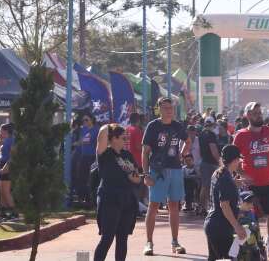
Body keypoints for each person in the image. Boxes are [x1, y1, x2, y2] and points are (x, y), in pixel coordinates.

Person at [233, 101, 269, 259]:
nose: (259, 115)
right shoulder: (241, 135)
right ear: (247, 115)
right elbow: (232, 159)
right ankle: (256, 247)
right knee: (250, 219)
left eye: (260, 112)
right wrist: (242, 173)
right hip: (251, 186)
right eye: (255, 113)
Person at [142, 97, 191, 256]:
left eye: (171, 108)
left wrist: (183, 153)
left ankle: (175, 242)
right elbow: (145, 152)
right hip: (158, 171)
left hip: (175, 169)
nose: (169, 110)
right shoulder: (153, 126)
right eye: (165, 108)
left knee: (174, 206)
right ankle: (149, 242)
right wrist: (146, 174)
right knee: (154, 205)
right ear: (159, 109)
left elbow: (188, 140)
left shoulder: (178, 126)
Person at [94, 123, 141, 261]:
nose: (126, 141)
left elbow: (137, 179)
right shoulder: (105, 153)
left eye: (127, 138)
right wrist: (111, 125)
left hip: (127, 199)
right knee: (107, 238)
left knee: (122, 238)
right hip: (110, 199)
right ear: (113, 138)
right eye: (123, 138)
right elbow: (102, 133)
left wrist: (131, 176)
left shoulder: (128, 155)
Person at [203, 144, 246, 261]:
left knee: (214, 258)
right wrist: (237, 226)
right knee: (230, 257)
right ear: (235, 160)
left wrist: (234, 183)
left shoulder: (219, 173)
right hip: (220, 227)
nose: (239, 163)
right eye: (239, 160)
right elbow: (224, 205)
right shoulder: (225, 179)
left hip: (213, 225)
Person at [199, 117, 220, 216]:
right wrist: (220, 162)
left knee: (204, 186)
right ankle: (209, 207)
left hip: (204, 162)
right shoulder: (211, 135)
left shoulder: (202, 134)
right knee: (212, 186)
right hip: (211, 163)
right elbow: (214, 150)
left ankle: (202, 207)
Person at [78, 113, 100, 206]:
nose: (85, 122)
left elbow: (92, 142)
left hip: (92, 157)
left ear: (92, 120)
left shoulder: (96, 130)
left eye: (86, 120)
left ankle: (93, 200)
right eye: (83, 120)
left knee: (92, 178)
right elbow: (81, 141)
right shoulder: (83, 129)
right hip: (84, 156)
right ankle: (85, 198)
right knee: (82, 177)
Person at [0, 123, 16, 220]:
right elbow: (0, 151)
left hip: (7, 166)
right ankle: (3, 213)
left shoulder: (12, 140)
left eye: (1, 130)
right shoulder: (4, 140)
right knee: (1, 190)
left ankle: (14, 213)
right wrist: (0, 140)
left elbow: (12, 156)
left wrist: (6, 167)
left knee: (6, 190)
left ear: (6, 131)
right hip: (0, 164)